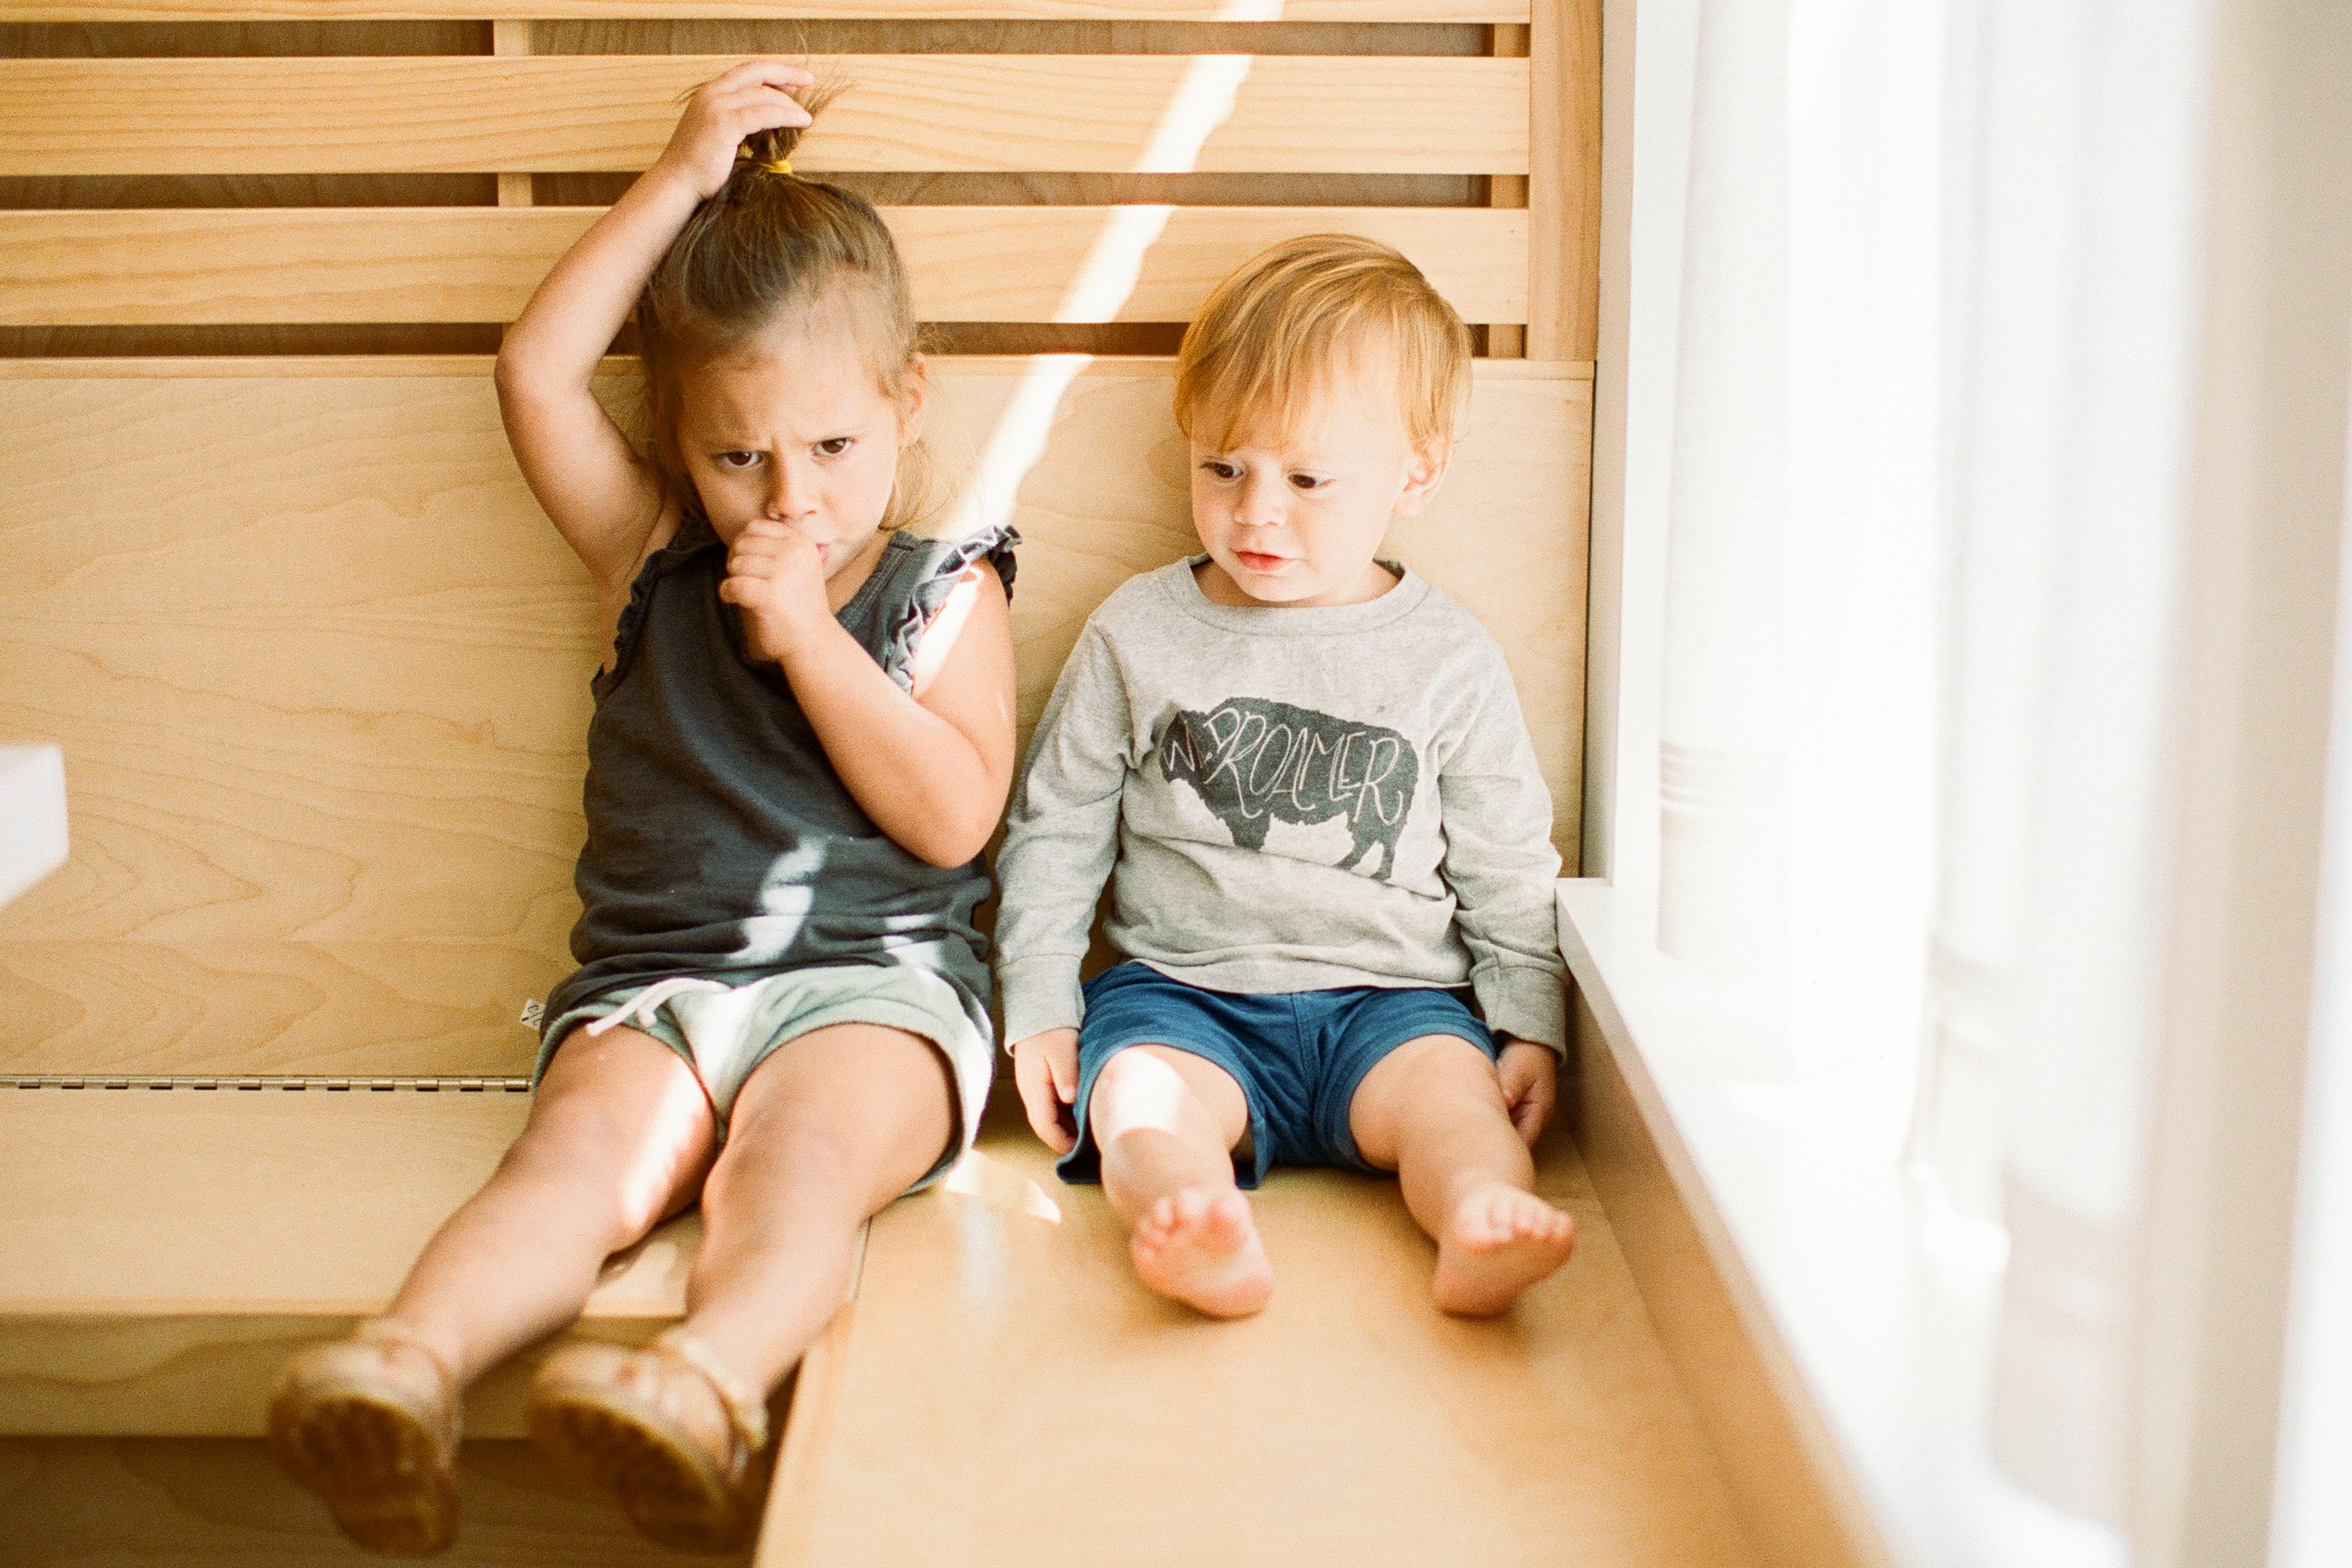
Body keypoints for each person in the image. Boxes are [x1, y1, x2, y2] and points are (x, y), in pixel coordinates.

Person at [264, 62, 1017, 1555]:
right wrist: (678, 174)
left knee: (789, 1173)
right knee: (573, 1170)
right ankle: (404, 1367)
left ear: (907, 400)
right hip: (655, 989)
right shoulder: (655, 556)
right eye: (737, 456)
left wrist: (809, 635)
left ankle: (700, 1381)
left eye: (831, 450)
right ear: (678, 445)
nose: (786, 497)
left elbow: (953, 820)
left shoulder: (946, 591)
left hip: (874, 995)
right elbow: (535, 375)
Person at [996, 235, 1574, 1323]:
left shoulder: (1449, 659)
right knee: (1140, 1110)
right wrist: (1039, 1003)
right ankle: (1190, 1223)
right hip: (1183, 995)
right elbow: (1056, 825)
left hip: (1396, 1005)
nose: (1257, 511)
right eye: (1223, 467)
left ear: (1418, 471)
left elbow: (1505, 856)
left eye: (1307, 478)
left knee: (1458, 1116)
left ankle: (1480, 1218)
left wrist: (1526, 1015)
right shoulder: (1137, 632)